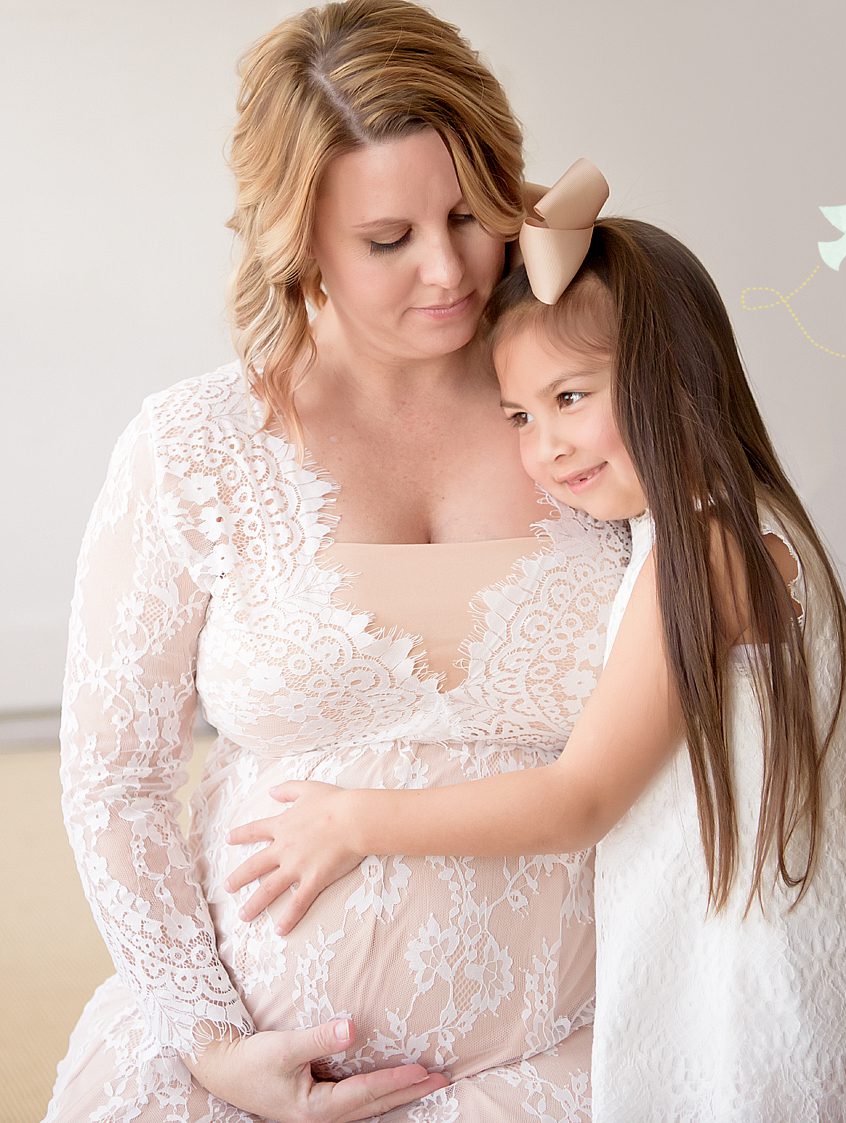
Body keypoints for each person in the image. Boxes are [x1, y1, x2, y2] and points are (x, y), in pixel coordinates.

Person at [219, 195, 846, 1120]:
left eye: (570, 399)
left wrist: (355, 821)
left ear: (673, 377)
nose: (545, 447)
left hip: (756, 1006)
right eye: (518, 414)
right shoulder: (721, 525)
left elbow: (579, 799)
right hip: (774, 976)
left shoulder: (710, 553)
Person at [46, 3, 624, 1118]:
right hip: (241, 1071)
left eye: (470, 213)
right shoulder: (194, 447)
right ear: (298, 237)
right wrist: (213, 1047)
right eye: (386, 240)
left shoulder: (590, 403)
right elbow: (112, 782)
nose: (449, 268)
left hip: (580, 1055)